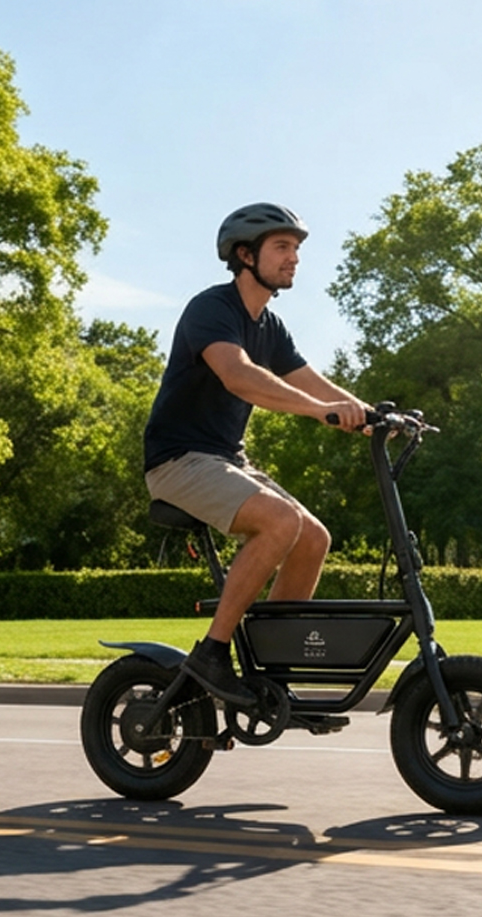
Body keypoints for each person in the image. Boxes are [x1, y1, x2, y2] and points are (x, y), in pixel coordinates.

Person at [142, 203, 369, 705]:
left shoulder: (271, 326)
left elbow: (313, 383)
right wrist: (320, 411)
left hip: (226, 461)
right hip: (178, 460)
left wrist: (371, 416)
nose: (294, 259)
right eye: (282, 248)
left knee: (313, 536)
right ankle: (212, 653)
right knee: (279, 521)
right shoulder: (212, 309)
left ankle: (273, 668)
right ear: (246, 255)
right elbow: (240, 375)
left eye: (297, 250)